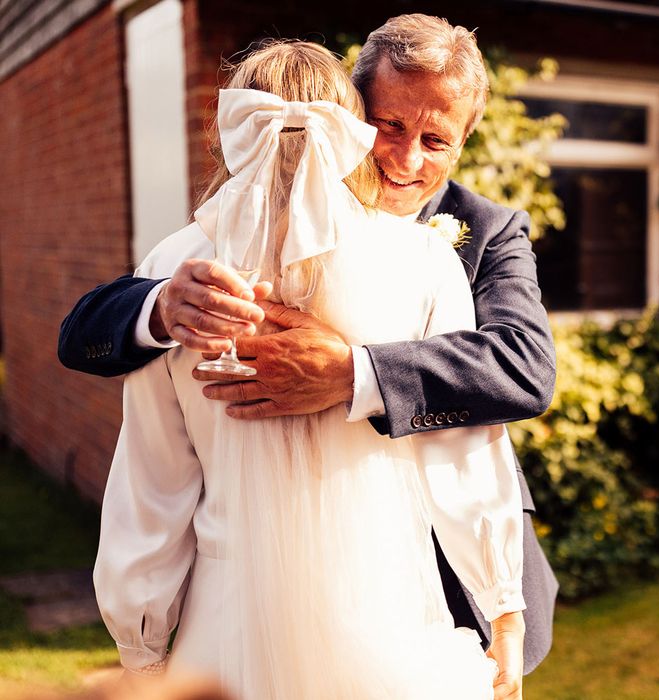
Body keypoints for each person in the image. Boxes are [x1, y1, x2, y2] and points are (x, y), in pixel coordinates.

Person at [60, 12, 557, 682]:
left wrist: (140, 642)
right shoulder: (181, 287)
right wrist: (504, 604)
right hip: (389, 624)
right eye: (390, 127)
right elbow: (469, 463)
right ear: (350, 114)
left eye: (435, 140)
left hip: (269, 624)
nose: (407, 159)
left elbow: (151, 483)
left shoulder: (182, 260)